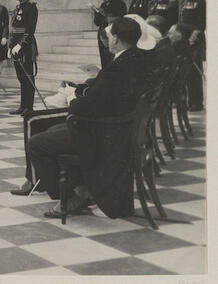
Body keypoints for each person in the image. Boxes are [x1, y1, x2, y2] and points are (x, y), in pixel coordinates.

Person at [27, 16, 148, 219]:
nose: (107, 40)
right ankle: (82, 188)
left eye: (109, 36)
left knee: (36, 143)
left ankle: (69, 197)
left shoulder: (118, 67)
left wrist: (71, 96)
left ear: (116, 39)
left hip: (104, 133)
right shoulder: (137, 58)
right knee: (52, 131)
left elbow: (86, 107)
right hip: (121, 128)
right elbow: (108, 95)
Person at [8, 0, 39, 116]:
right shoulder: (19, 8)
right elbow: (15, 29)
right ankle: (22, 105)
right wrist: (11, 45)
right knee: (21, 78)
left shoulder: (31, 8)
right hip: (16, 46)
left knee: (28, 77)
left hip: (26, 46)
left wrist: (20, 44)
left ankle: (29, 107)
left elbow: (29, 30)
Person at [176, 0, 205, 111]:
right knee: (184, 71)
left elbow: (200, 25)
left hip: (194, 41)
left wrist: (191, 40)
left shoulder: (200, 2)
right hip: (182, 41)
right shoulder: (182, 2)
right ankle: (188, 101)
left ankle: (197, 102)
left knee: (194, 71)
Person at [91, 0, 127, 68]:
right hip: (102, 34)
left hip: (113, 34)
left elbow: (121, 19)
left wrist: (107, 17)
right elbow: (97, 22)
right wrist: (96, 13)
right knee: (104, 59)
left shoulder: (120, 4)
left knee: (113, 59)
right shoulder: (103, 4)